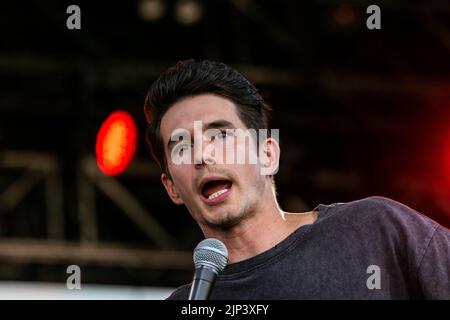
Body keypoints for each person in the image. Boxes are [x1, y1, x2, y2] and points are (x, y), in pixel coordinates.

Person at [143, 59, 450, 299]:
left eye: (220, 135)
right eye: (182, 146)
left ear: (268, 155)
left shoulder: (375, 229)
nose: (202, 156)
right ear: (171, 187)